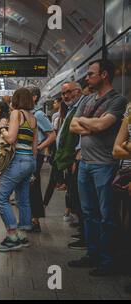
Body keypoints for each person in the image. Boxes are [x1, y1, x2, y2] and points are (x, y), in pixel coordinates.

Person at [69, 59, 128, 276]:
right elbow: (73, 127)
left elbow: (104, 125)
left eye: (91, 74)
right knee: (88, 212)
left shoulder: (117, 100)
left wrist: (88, 124)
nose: (87, 77)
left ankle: (107, 259)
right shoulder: (86, 100)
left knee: (106, 215)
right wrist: (91, 125)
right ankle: (92, 254)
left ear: (104, 75)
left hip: (104, 165)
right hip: (84, 163)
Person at [0, 88, 38, 251]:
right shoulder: (33, 118)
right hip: (30, 161)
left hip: (18, 160)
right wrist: (31, 167)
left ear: (16, 100)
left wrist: (3, 129)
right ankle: (22, 235)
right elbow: (35, 147)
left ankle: (12, 236)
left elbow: (11, 138)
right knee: (23, 200)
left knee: (0, 198)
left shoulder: (16, 114)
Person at [53, 81, 88, 250]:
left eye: (68, 92)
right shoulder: (72, 108)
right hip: (71, 160)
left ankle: (86, 236)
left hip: (78, 159)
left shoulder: (81, 107)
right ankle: (84, 232)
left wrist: (77, 157)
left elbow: (80, 133)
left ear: (78, 92)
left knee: (80, 200)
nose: (65, 96)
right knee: (76, 197)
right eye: (63, 94)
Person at [28, 86, 56, 232]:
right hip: (29, 155)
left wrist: (39, 148)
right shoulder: (27, 113)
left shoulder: (38, 115)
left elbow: (52, 135)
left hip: (36, 155)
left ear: (34, 97)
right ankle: (30, 218)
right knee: (29, 187)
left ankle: (35, 220)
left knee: (34, 186)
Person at [112, 102, 131, 294]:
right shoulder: (129, 109)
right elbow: (116, 150)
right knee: (126, 224)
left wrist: (125, 144)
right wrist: (125, 145)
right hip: (124, 173)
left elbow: (121, 145)